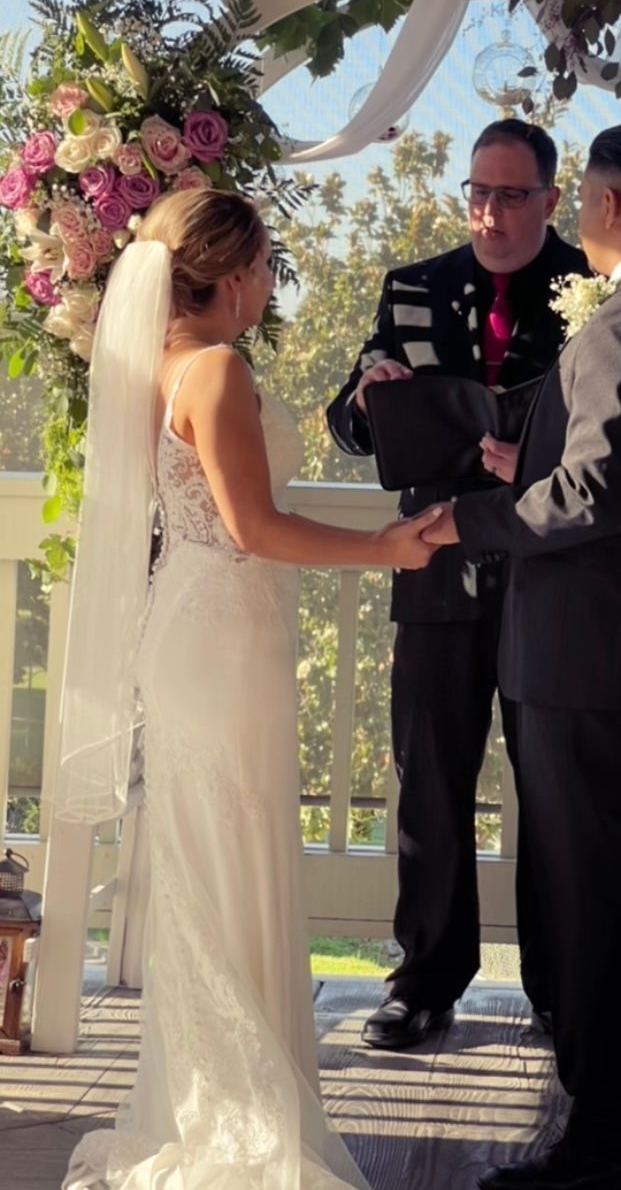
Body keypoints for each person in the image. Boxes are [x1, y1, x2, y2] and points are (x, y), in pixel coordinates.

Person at [58, 188, 442, 1190]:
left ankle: (215, 1091)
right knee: (230, 860)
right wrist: (387, 548)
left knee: (215, 864)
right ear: (230, 275)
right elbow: (252, 528)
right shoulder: (217, 369)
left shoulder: (154, 360)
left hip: (201, 628)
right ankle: (236, 1112)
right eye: (268, 265)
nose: (273, 284)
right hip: (223, 634)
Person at [423, 122, 621, 1190]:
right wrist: (540, 455)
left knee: (599, 899)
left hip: (589, 661)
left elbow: (594, 497)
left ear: (604, 205)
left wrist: (471, 516)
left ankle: (607, 1146)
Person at [327, 119, 586, 1049]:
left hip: (551, 568)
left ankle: (561, 988)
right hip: (434, 562)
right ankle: (426, 979)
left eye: (511, 195)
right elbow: (349, 425)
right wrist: (366, 398)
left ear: (552, 199)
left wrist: (539, 456)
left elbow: (615, 431)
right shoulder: (415, 285)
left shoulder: (594, 287)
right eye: (478, 191)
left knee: (554, 782)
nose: (490, 211)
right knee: (428, 777)